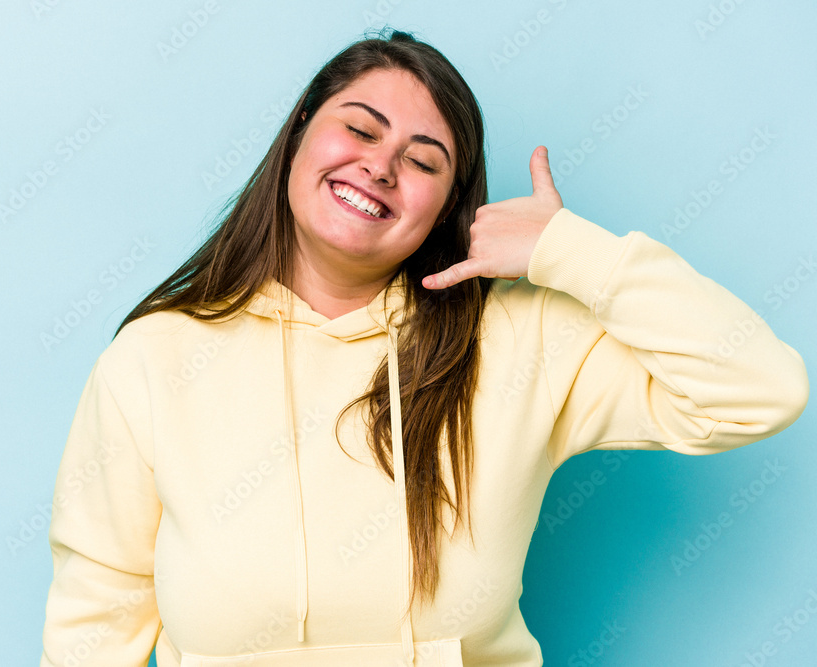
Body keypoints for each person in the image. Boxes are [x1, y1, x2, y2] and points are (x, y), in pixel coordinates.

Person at [39, 28, 809, 667]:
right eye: (360, 128)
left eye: (423, 159)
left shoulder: (520, 337)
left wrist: (570, 253)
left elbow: (759, 387)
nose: (379, 165)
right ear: (302, 127)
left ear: (449, 204)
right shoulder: (157, 355)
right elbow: (95, 616)